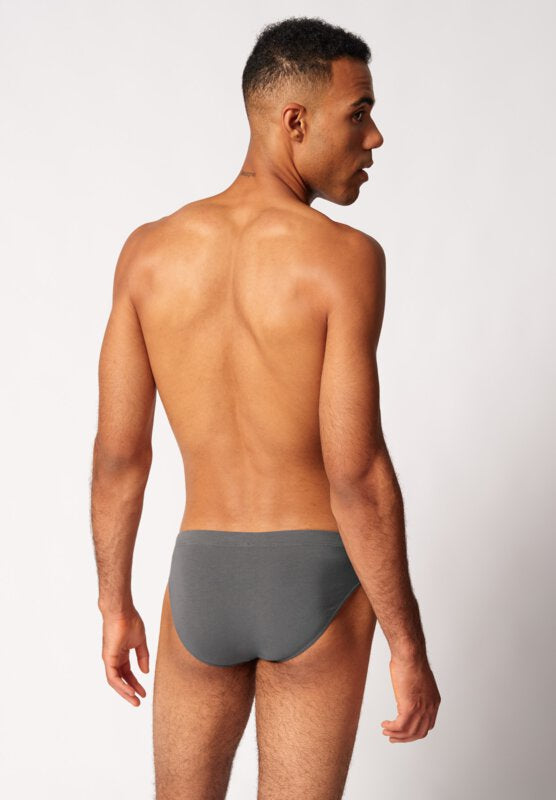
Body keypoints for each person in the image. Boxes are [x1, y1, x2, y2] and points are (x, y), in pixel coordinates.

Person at [90, 15, 441, 800]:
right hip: (316, 579)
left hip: (200, 579)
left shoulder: (147, 253)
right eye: (359, 113)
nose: (374, 137)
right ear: (295, 121)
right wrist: (407, 643)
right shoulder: (345, 259)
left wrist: (114, 605)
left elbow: (119, 456)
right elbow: (357, 474)